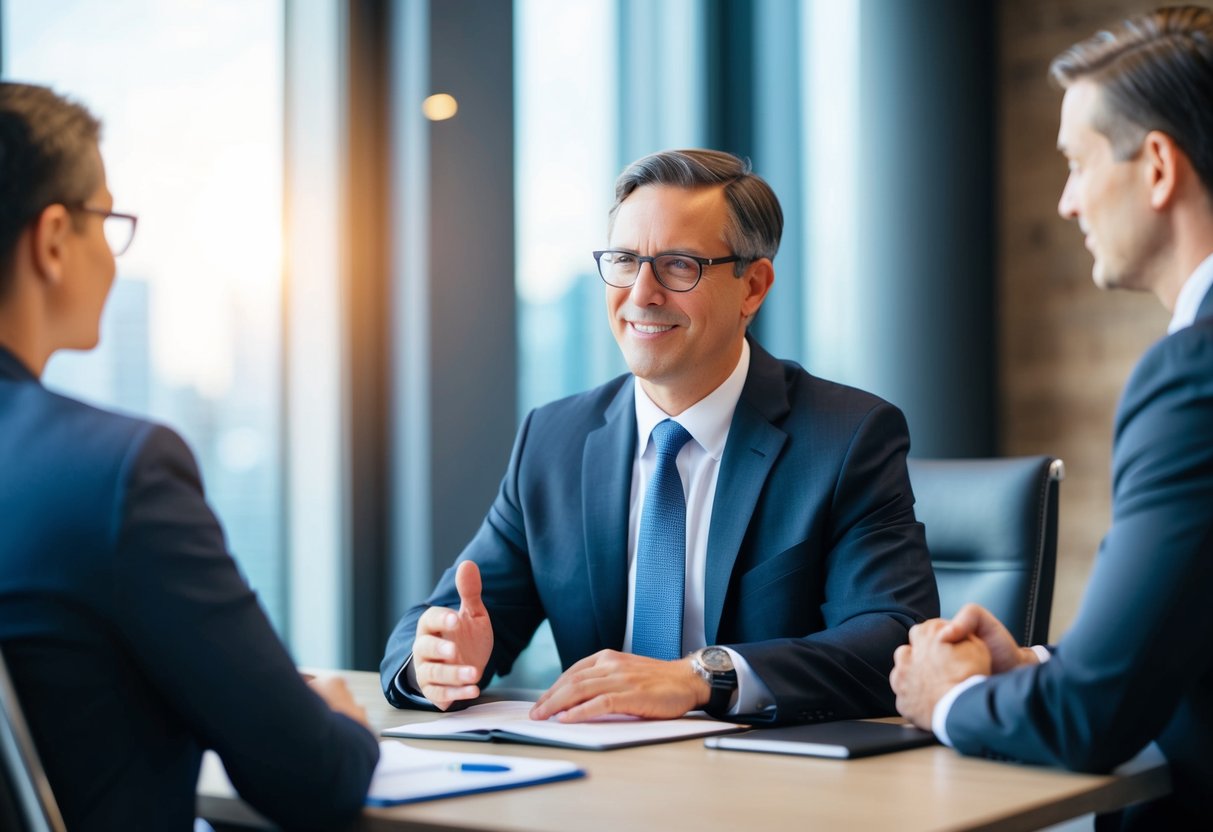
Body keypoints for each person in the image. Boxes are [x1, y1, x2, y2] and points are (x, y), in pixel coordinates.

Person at [382, 148, 939, 725]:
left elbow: (893, 642)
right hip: (599, 784)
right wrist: (438, 660)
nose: (642, 294)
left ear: (753, 287)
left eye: (678, 265)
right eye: (625, 260)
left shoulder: (847, 438)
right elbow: (443, 620)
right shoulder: (553, 441)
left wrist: (700, 677)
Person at [0, 83, 379, 830]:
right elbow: (312, 777)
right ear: (52, 240)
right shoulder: (114, 473)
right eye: (106, 221)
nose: (110, 255)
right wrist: (341, 724)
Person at [890, 7, 1213, 828]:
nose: (1065, 203)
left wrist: (950, 700)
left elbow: (1090, 717)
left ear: (1156, 168)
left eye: (1076, 163)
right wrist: (1034, 661)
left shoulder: (1191, 377)